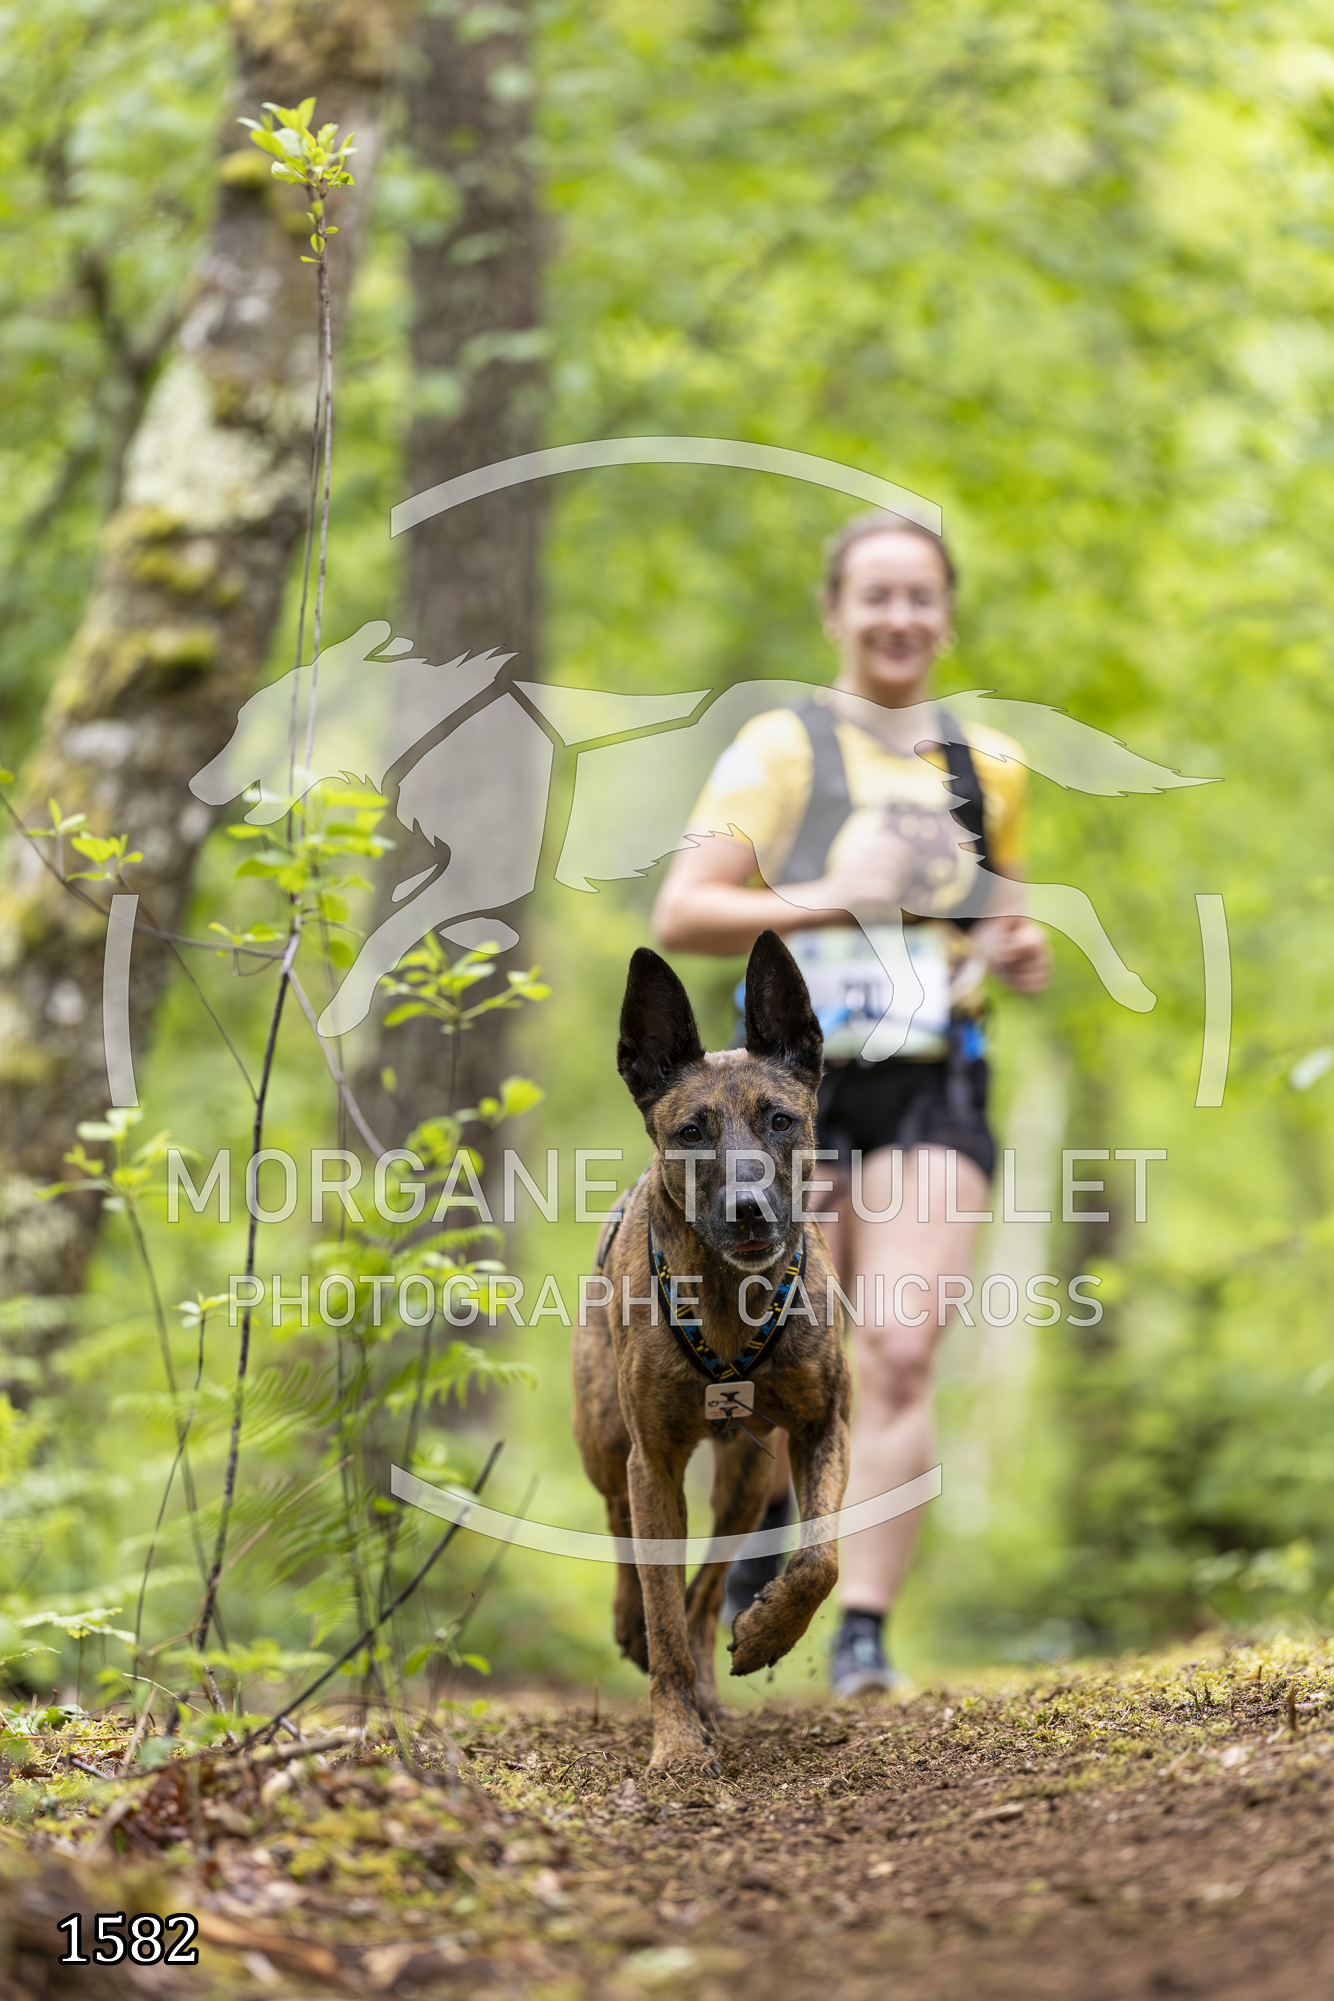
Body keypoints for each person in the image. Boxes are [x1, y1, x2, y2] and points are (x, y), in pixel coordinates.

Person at [650, 512, 1051, 1695]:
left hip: (932, 1079)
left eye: (919, 595)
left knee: (898, 1347)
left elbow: (998, 916)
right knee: (783, 1348)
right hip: (782, 1108)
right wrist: (829, 896)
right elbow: (683, 912)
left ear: (945, 615)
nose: (897, 617)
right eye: (875, 594)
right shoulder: (778, 752)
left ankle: (862, 1627)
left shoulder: (985, 766)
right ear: (833, 611)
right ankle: (759, 1536)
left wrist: (1015, 947)